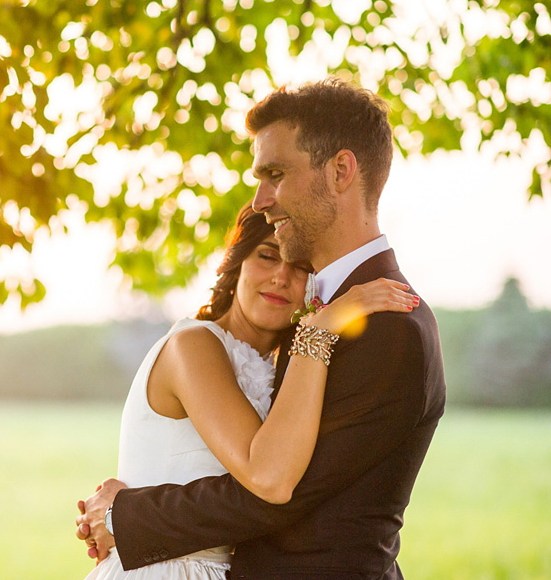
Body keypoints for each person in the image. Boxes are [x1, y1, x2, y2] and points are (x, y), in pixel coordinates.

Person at [76, 78, 447, 579]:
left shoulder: (387, 325)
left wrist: (129, 514)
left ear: (341, 170)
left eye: (275, 173)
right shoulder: (318, 316)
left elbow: (281, 493)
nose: (261, 198)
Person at [79, 201, 417, 580]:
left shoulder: (284, 371)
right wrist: (321, 329)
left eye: (302, 268)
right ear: (237, 261)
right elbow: (269, 477)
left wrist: (122, 516)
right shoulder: (193, 346)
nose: (280, 277)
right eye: (267, 256)